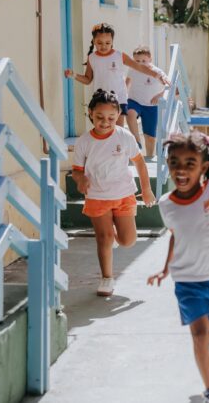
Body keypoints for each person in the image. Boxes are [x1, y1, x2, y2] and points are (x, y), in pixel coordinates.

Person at [147, 131, 209, 403]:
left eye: (189, 163)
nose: (180, 170)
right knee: (200, 335)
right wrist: (165, 269)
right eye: (174, 162)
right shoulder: (167, 204)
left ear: (203, 167)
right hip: (186, 281)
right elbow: (176, 235)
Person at [72, 89, 156, 297]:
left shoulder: (124, 136)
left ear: (118, 115)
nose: (105, 122)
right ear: (91, 113)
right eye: (99, 117)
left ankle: (114, 240)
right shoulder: (84, 141)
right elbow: (77, 170)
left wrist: (146, 190)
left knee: (128, 241)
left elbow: (139, 163)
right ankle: (107, 279)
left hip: (123, 195)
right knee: (104, 238)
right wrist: (80, 180)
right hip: (97, 196)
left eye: (111, 117)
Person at [64, 23, 168, 128]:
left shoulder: (119, 56)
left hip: (119, 99)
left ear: (112, 42)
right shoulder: (92, 58)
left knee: (117, 131)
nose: (103, 46)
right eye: (99, 43)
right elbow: (87, 79)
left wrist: (157, 75)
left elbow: (139, 67)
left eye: (107, 43)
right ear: (94, 41)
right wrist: (73, 75)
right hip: (100, 100)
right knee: (103, 130)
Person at [126, 45, 166, 156]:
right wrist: (124, 93)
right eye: (137, 61)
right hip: (135, 101)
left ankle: (149, 156)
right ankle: (137, 142)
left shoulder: (157, 72)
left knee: (150, 137)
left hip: (151, 106)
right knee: (130, 113)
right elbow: (127, 82)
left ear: (150, 59)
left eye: (144, 60)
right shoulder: (133, 69)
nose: (141, 63)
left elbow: (170, 86)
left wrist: (159, 95)